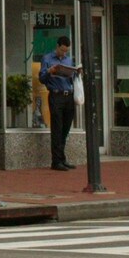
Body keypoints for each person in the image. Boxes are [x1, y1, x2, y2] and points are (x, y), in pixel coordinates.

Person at [40, 37, 81, 171]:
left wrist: (77, 73)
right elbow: (41, 78)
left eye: (66, 51)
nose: (63, 53)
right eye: (62, 50)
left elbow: (72, 78)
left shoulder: (68, 60)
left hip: (68, 95)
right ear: (57, 46)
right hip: (56, 95)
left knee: (65, 128)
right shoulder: (47, 59)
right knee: (57, 128)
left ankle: (62, 158)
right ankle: (56, 161)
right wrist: (49, 72)